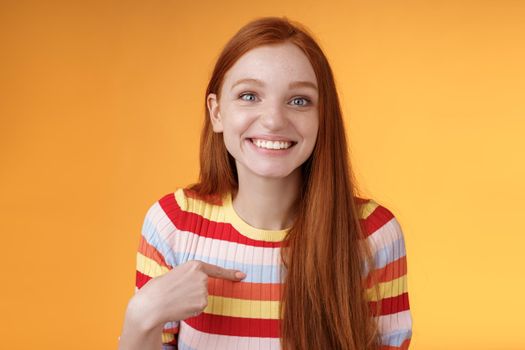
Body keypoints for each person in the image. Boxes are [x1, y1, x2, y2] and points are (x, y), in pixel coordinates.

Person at [118, 16, 412, 350]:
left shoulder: (374, 234)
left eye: (299, 100)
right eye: (249, 95)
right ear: (216, 113)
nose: (273, 120)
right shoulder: (173, 223)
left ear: (322, 117)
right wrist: (141, 315)